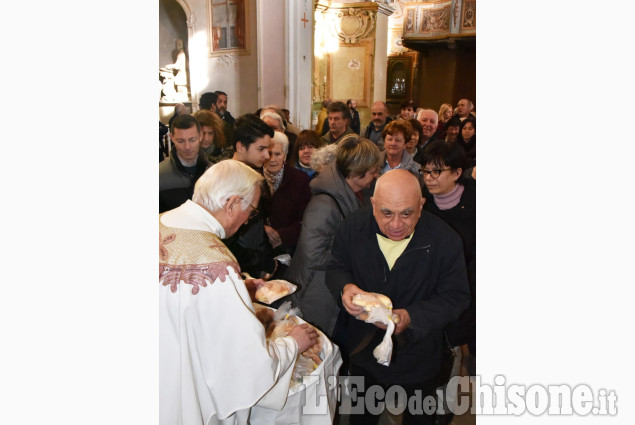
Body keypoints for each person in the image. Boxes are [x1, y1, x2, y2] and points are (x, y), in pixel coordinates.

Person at [159, 159, 319, 425]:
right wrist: (293, 344)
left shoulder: (160, 222)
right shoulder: (218, 264)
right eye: (252, 211)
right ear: (232, 204)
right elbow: (247, 365)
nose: (247, 221)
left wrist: (239, 291)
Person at [326, 169, 470, 425]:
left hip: (420, 353)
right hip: (363, 350)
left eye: (407, 213)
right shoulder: (353, 227)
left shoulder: (445, 239)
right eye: (386, 213)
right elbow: (336, 266)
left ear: (421, 205)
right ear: (373, 205)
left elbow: (456, 296)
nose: (395, 224)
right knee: (361, 418)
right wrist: (345, 287)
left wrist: (411, 317)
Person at [286, 135, 381, 336]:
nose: (376, 176)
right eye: (373, 172)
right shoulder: (325, 204)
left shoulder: (353, 195)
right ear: (357, 173)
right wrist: (356, 256)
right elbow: (313, 255)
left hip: (328, 288)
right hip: (314, 293)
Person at [420, 140, 476, 425]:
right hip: (426, 297)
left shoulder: (477, 203)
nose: (428, 178)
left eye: (436, 172)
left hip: (464, 295)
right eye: (425, 171)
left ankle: (442, 414)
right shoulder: (421, 203)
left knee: (450, 360)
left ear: (456, 172)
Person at [226, 114, 279, 279]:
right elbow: (226, 237)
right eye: (261, 149)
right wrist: (262, 263)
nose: (267, 156)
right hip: (237, 271)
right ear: (241, 146)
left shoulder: (251, 173)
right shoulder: (226, 180)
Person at [261, 132, 312, 256]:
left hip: (288, 250)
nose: (272, 159)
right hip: (258, 247)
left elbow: (305, 219)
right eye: (269, 153)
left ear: (285, 156)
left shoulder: (300, 180)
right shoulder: (253, 177)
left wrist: (281, 235)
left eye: (277, 154)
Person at [159, 114, 211, 213]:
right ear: (172, 138)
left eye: (192, 140)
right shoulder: (159, 175)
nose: (187, 147)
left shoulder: (214, 172)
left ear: (200, 136)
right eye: (181, 141)